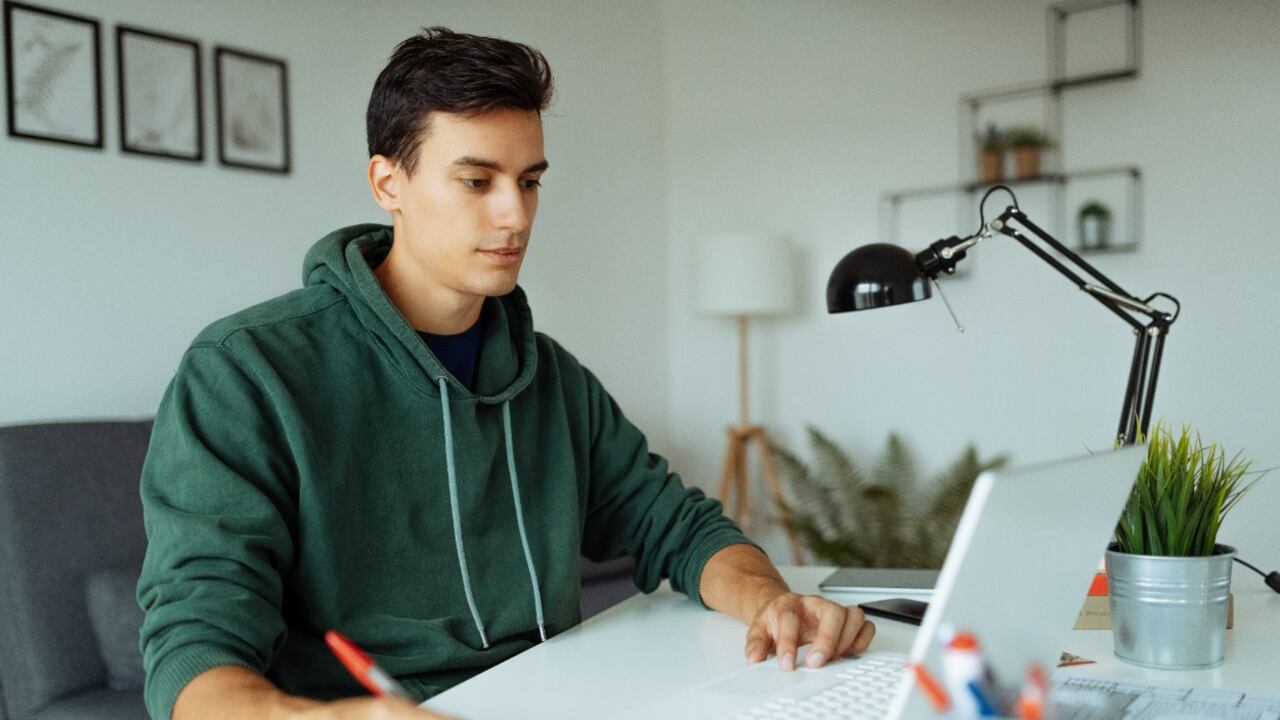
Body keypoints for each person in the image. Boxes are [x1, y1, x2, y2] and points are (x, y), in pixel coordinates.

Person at [137, 26, 875, 720]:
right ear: (387, 182)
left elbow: (678, 527)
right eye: (477, 180)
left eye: (529, 181)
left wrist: (771, 600)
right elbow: (195, 653)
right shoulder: (245, 372)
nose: (514, 215)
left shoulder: (552, 377)